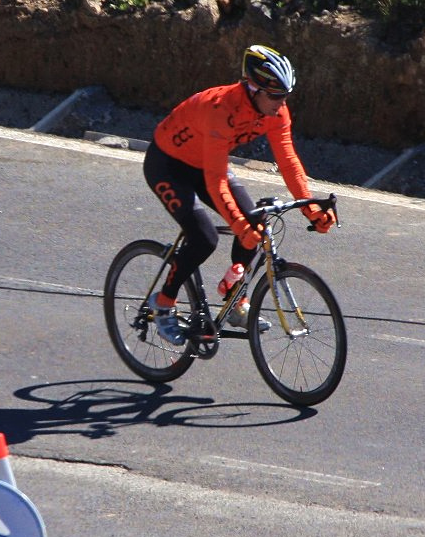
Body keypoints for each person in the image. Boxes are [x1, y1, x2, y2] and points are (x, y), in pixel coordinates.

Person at [142, 44, 336, 344]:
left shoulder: (276, 111)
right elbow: (217, 180)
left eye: (285, 96)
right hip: (168, 165)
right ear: (253, 88)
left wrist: (310, 209)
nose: (281, 103)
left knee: (256, 223)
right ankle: (164, 302)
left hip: (206, 162)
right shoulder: (221, 109)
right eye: (274, 96)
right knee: (205, 237)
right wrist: (239, 227)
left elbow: (288, 161)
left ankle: (235, 300)